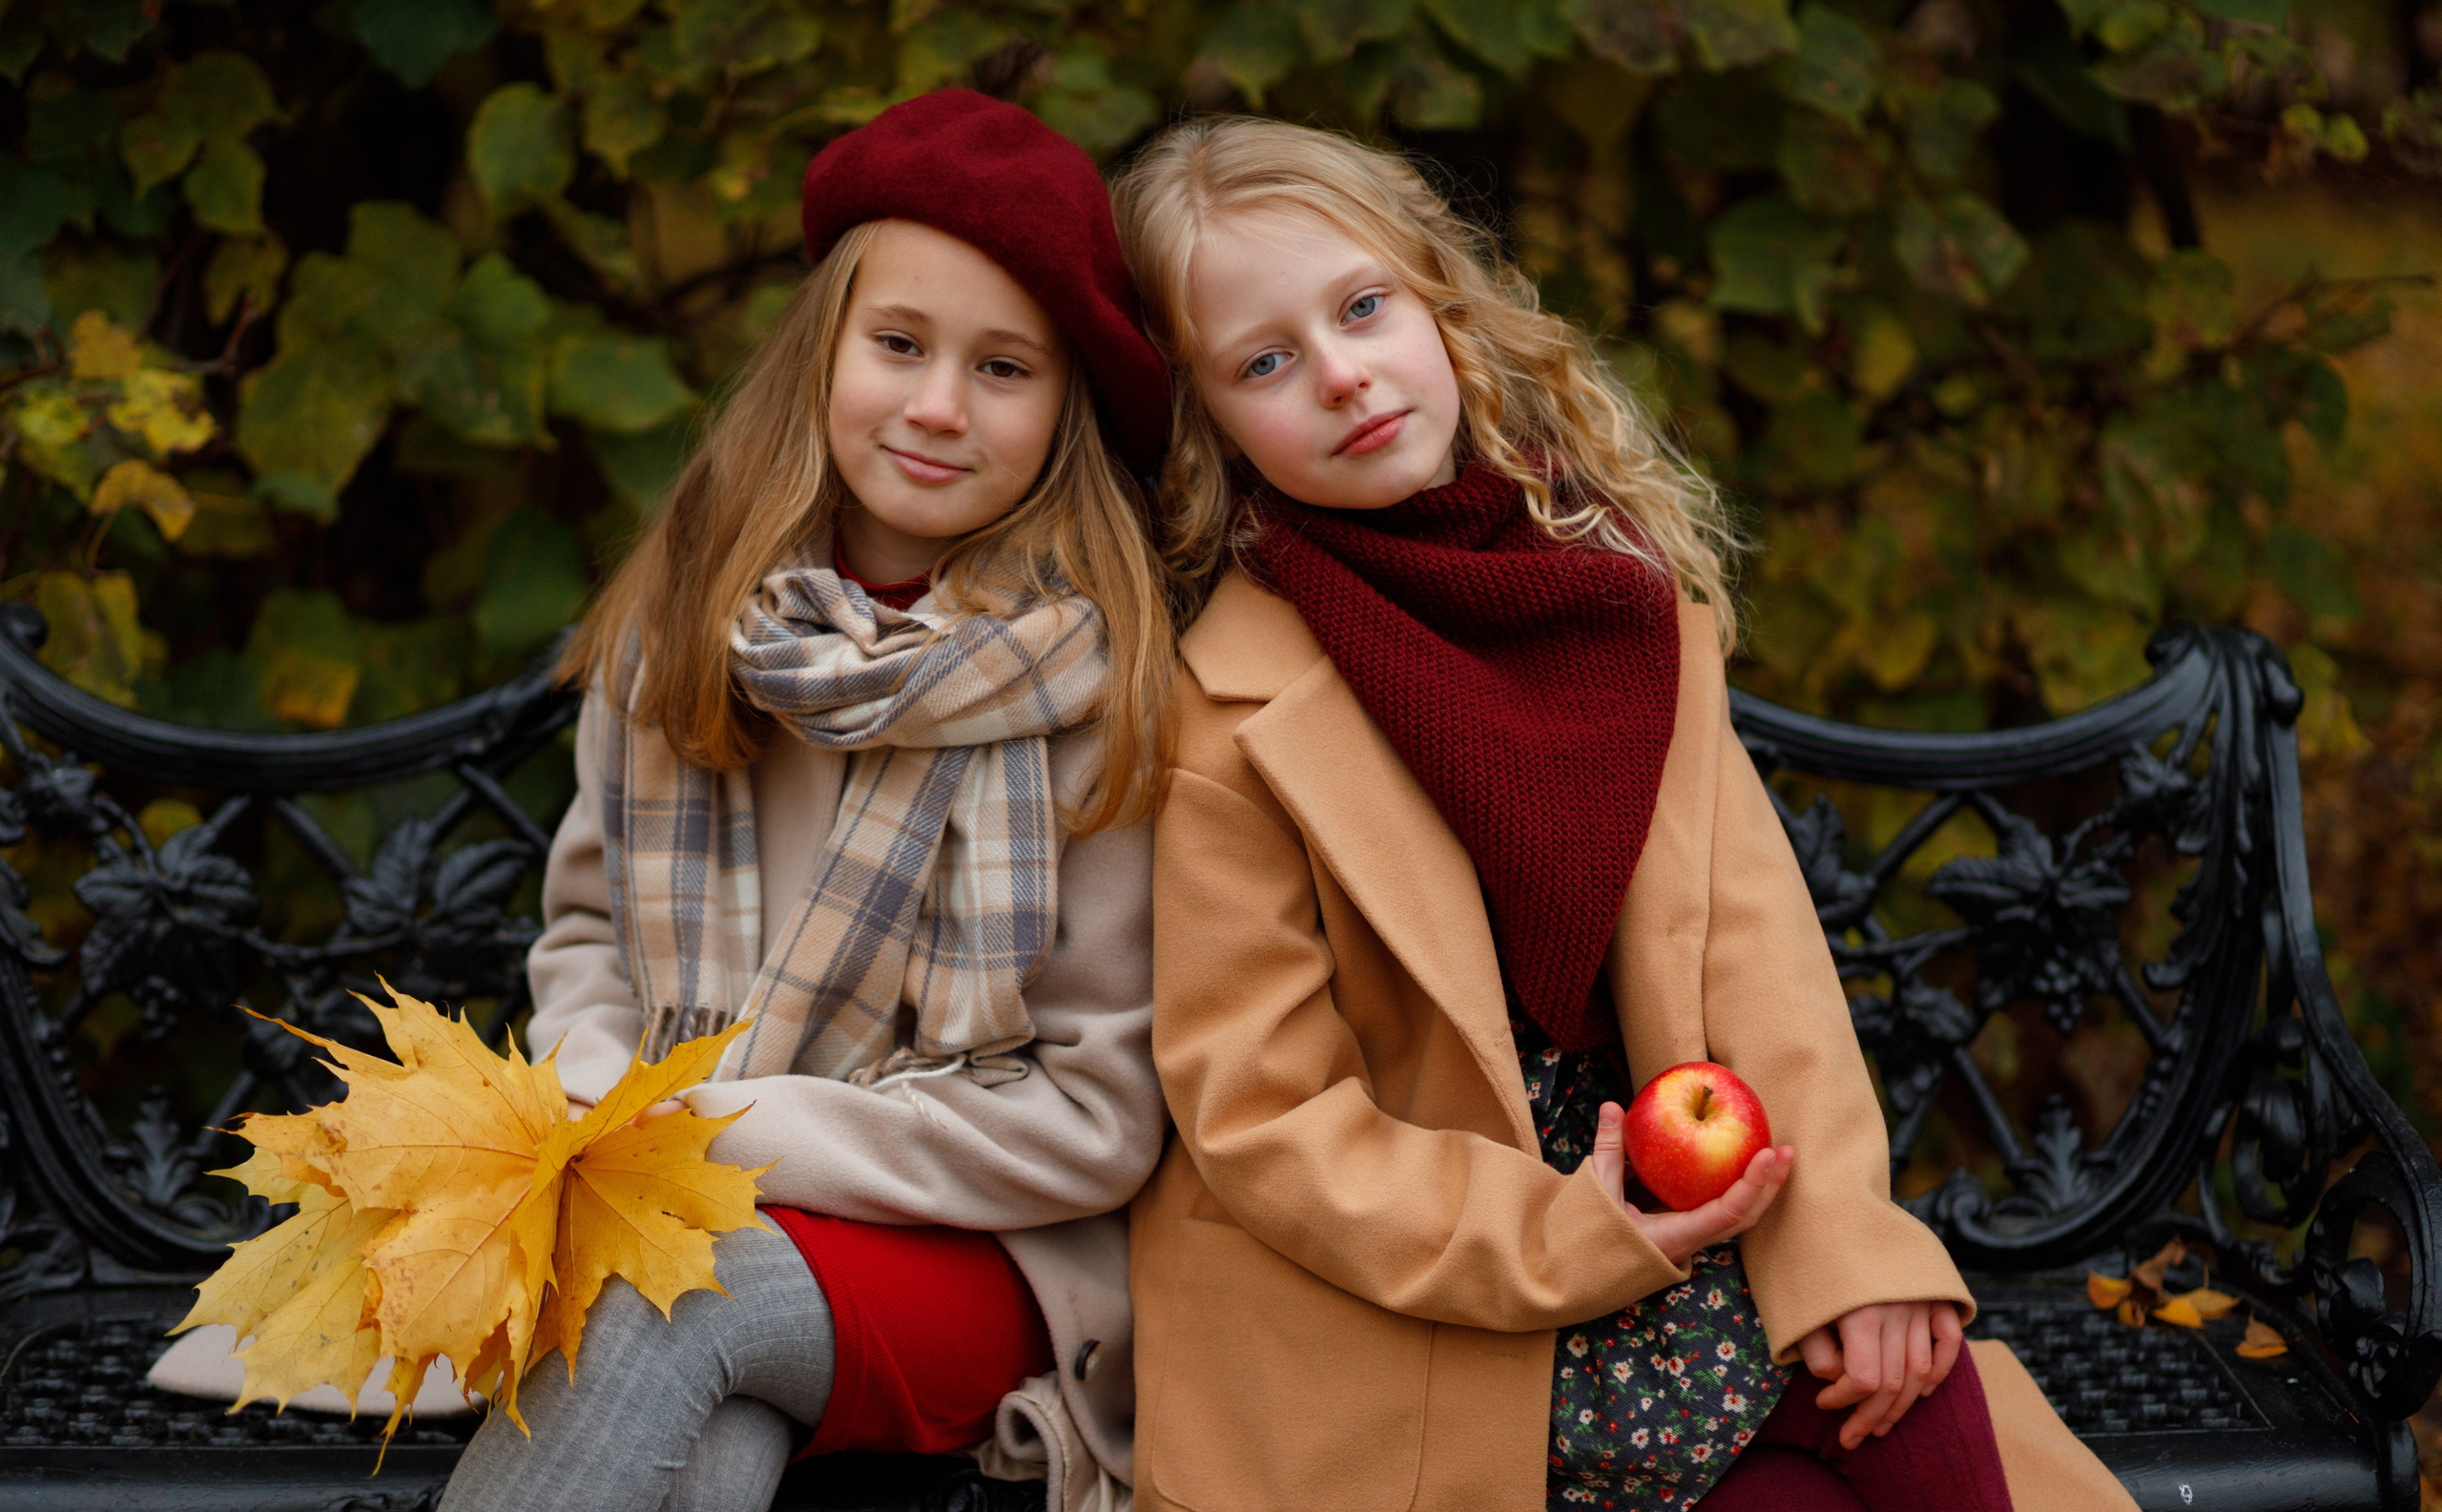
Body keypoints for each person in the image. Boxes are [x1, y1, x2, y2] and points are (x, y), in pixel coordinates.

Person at [1109, 115, 2135, 1512]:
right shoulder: (1229, 707)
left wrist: (1846, 1250)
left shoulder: (1607, 591)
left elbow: (1755, 955)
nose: (1342, 376)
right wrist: (1561, 1231)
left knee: (1904, 1380)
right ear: (1208, 424)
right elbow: (1267, 1119)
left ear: (1440, 300)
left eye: (1363, 308)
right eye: (1265, 362)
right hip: (1428, 1293)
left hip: (1685, 1204)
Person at [440, 89, 1173, 1512]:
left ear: (1069, 404)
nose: (939, 406)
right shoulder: (690, 624)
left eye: (1005, 368)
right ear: (824, 346)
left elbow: (1094, 1116)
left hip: (991, 1251)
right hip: (684, 1203)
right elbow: (589, 936)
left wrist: (720, 1132)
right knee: (703, 1448)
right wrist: (600, 1088)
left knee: (670, 1299)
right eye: (899, 343)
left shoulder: (1099, 688)